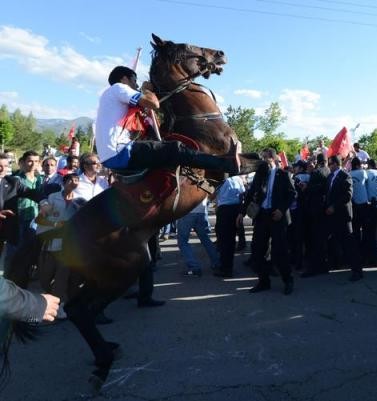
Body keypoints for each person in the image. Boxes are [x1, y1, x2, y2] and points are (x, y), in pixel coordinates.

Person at [95, 66, 239, 175]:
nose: (137, 86)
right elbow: (153, 103)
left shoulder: (110, 97)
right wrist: (146, 90)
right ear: (124, 79)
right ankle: (226, 164)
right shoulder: (118, 88)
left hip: (112, 154)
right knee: (174, 148)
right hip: (120, 152)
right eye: (134, 81)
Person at [238, 148, 296, 295]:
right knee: (257, 251)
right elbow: (250, 194)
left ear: (272, 158)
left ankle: (288, 280)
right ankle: (263, 281)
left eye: (265, 158)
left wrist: (281, 210)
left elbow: (291, 194)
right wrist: (242, 212)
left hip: (277, 217)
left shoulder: (283, 174)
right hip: (262, 216)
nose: (262, 161)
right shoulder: (260, 175)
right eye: (262, 158)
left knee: (280, 252)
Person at [36, 173, 84, 320]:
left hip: (68, 247)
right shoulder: (52, 198)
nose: (74, 182)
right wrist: (56, 225)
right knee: (44, 278)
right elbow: (39, 219)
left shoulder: (80, 201)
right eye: (71, 180)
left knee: (61, 277)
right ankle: (55, 299)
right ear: (64, 182)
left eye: (77, 180)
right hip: (50, 244)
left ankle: (59, 305)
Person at [325, 155, 362, 281]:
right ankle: (335, 263)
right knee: (334, 241)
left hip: (342, 215)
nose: (329, 166)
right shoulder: (330, 177)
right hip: (331, 215)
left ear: (336, 164)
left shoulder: (345, 175)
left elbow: (348, 195)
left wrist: (334, 206)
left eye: (330, 164)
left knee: (349, 243)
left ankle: (357, 270)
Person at [177, 197, 220, 277]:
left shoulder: (185, 183)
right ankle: (216, 262)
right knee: (205, 239)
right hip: (201, 212)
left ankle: (194, 267)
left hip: (187, 212)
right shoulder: (203, 184)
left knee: (182, 241)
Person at [213, 175, 246, 278]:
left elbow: (212, 196)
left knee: (224, 242)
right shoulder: (238, 179)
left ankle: (225, 269)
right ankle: (228, 267)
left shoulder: (221, 182)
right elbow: (243, 194)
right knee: (231, 241)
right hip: (236, 209)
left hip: (224, 211)